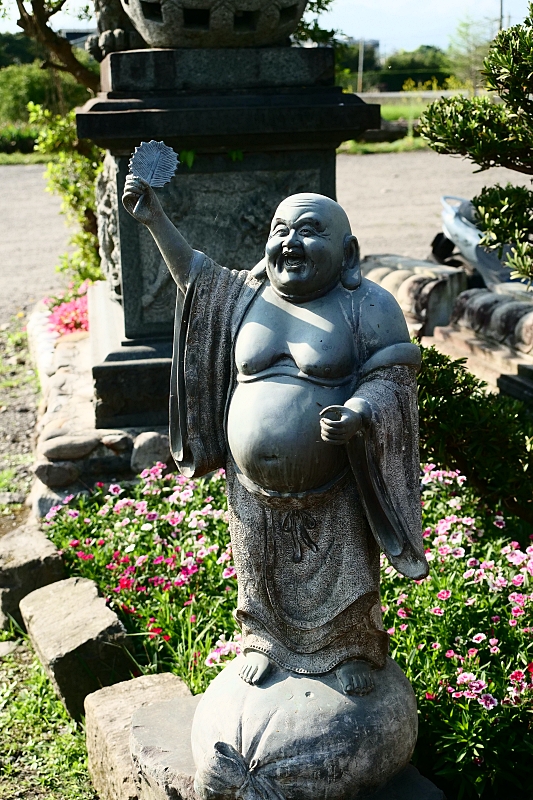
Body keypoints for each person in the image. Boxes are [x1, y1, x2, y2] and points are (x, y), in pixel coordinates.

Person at [123, 178, 429, 696]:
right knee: (258, 572)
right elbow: (194, 278)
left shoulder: (366, 305)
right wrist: (154, 218)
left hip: (334, 484)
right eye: (280, 230)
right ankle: (265, 642)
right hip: (251, 485)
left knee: (344, 580)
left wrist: (359, 410)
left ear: (348, 253)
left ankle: (349, 648)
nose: (289, 242)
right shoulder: (246, 294)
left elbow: (393, 379)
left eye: (309, 232)